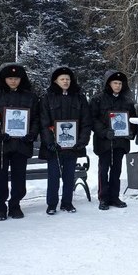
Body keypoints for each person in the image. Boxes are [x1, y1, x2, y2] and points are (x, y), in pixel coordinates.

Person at [39, 66, 93, 215]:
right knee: (54, 177)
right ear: (55, 81)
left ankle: (67, 203)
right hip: (54, 147)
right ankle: (51, 204)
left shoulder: (79, 97)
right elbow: (43, 122)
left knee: (69, 176)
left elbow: (86, 122)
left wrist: (82, 141)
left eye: (68, 79)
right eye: (62, 79)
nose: (65, 81)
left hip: (73, 146)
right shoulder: (47, 97)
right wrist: (50, 142)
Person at [0, 63, 40, 221]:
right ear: (4, 79)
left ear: (21, 79)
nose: (13, 81)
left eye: (16, 78)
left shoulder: (30, 96)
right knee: (0, 177)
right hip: (1, 144)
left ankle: (15, 205)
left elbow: (36, 118)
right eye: (10, 78)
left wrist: (32, 133)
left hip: (21, 144)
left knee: (19, 177)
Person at [90, 70, 136, 211]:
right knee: (104, 169)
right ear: (108, 83)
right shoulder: (97, 99)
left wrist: (131, 132)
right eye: (115, 83)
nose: (117, 85)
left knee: (117, 169)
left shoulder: (127, 101)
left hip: (120, 142)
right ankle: (103, 197)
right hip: (104, 141)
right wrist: (104, 132)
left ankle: (114, 197)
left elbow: (132, 119)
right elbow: (92, 119)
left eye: (120, 83)